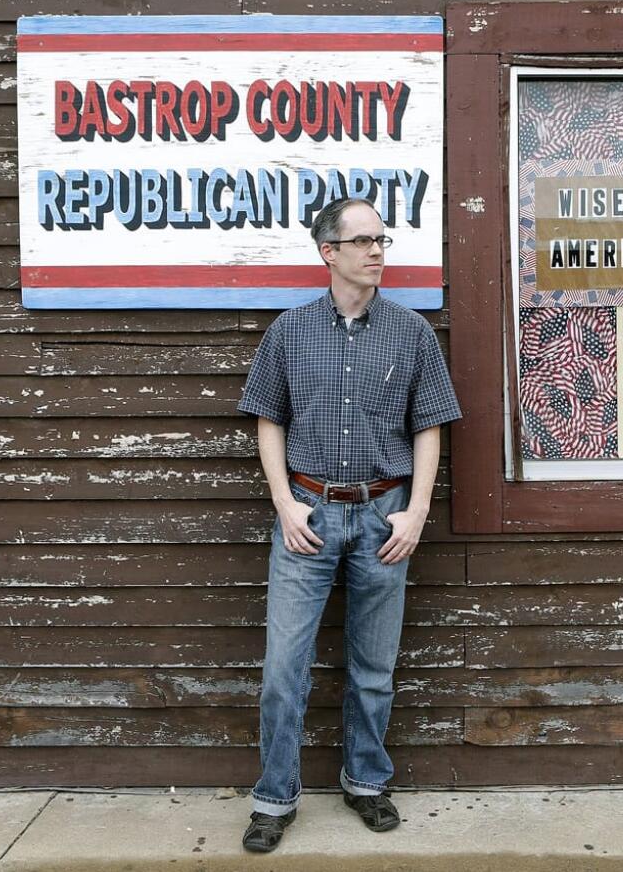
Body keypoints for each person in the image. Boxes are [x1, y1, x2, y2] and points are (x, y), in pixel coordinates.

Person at [236, 196, 461, 853]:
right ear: (327, 252)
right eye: (362, 241)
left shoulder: (411, 332)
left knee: (372, 667)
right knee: (284, 669)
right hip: (307, 515)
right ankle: (275, 797)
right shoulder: (290, 331)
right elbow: (268, 418)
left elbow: (429, 427)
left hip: (384, 517)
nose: (377, 253)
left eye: (382, 241)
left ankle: (366, 783)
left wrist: (416, 511)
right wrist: (283, 501)